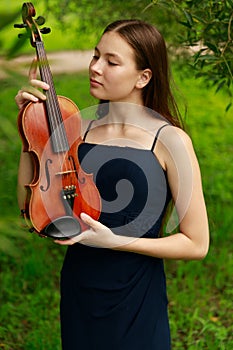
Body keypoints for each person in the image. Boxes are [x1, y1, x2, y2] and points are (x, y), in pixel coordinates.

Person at [15, 19, 209, 350]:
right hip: (80, 286)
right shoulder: (78, 127)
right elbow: (28, 205)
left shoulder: (170, 140)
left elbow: (196, 243)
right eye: (95, 56)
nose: (96, 67)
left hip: (136, 295)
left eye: (111, 61)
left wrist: (115, 241)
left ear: (143, 77)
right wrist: (29, 130)